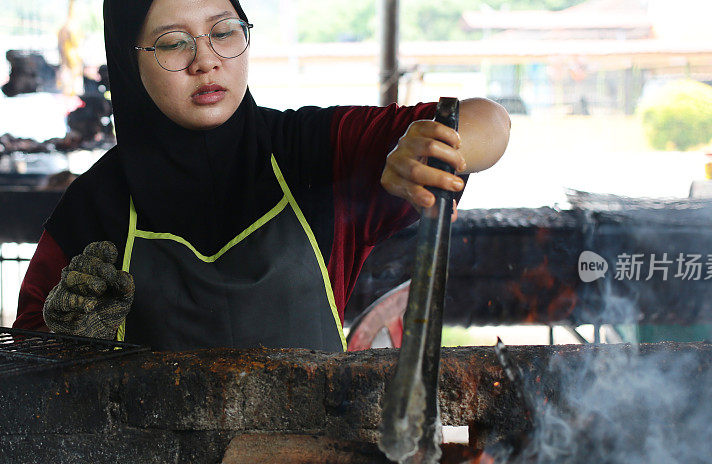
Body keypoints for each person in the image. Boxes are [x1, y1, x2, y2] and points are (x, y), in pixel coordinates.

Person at [13, 0, 510, 352]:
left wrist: (431, 147)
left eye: (225, 31)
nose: (206, 60)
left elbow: (491, 121)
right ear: (127, 60)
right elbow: (30, 363)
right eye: (173, 43)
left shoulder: (314, 150)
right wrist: (69, 344)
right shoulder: (94, 205)